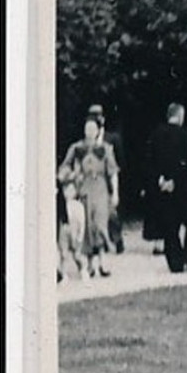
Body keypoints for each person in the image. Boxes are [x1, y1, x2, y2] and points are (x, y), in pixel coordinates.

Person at [58, 117, 119, 278]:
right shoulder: (77, 148)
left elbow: (113, 173)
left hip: (100, 188)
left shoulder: (105, 149)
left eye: (93, 129)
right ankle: (91, 265)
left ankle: (103, 262)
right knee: (87, 228)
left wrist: (115, 193)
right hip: (83, 188)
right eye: (87, 129)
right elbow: (64, 166)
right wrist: (69, 176)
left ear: (98, 131)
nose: (90, 133)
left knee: (100, 225)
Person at [149, 103, 187, 273]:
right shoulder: (185, 134)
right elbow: (184, 161)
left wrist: (162, 180)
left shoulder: (156, 134)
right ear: (180, 116)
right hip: (184, 186)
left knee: (170, 227)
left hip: (164, 187)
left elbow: (151, 161)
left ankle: (175, 263)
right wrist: (174, 180)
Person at [87, 103, 127, 254]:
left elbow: (120, 160)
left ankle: (117, 240)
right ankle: (100, 243)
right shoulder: (87, 139)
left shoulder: (112, 138)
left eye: (98, 115)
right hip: (93, 182)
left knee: (113, 212)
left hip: (108, 179)